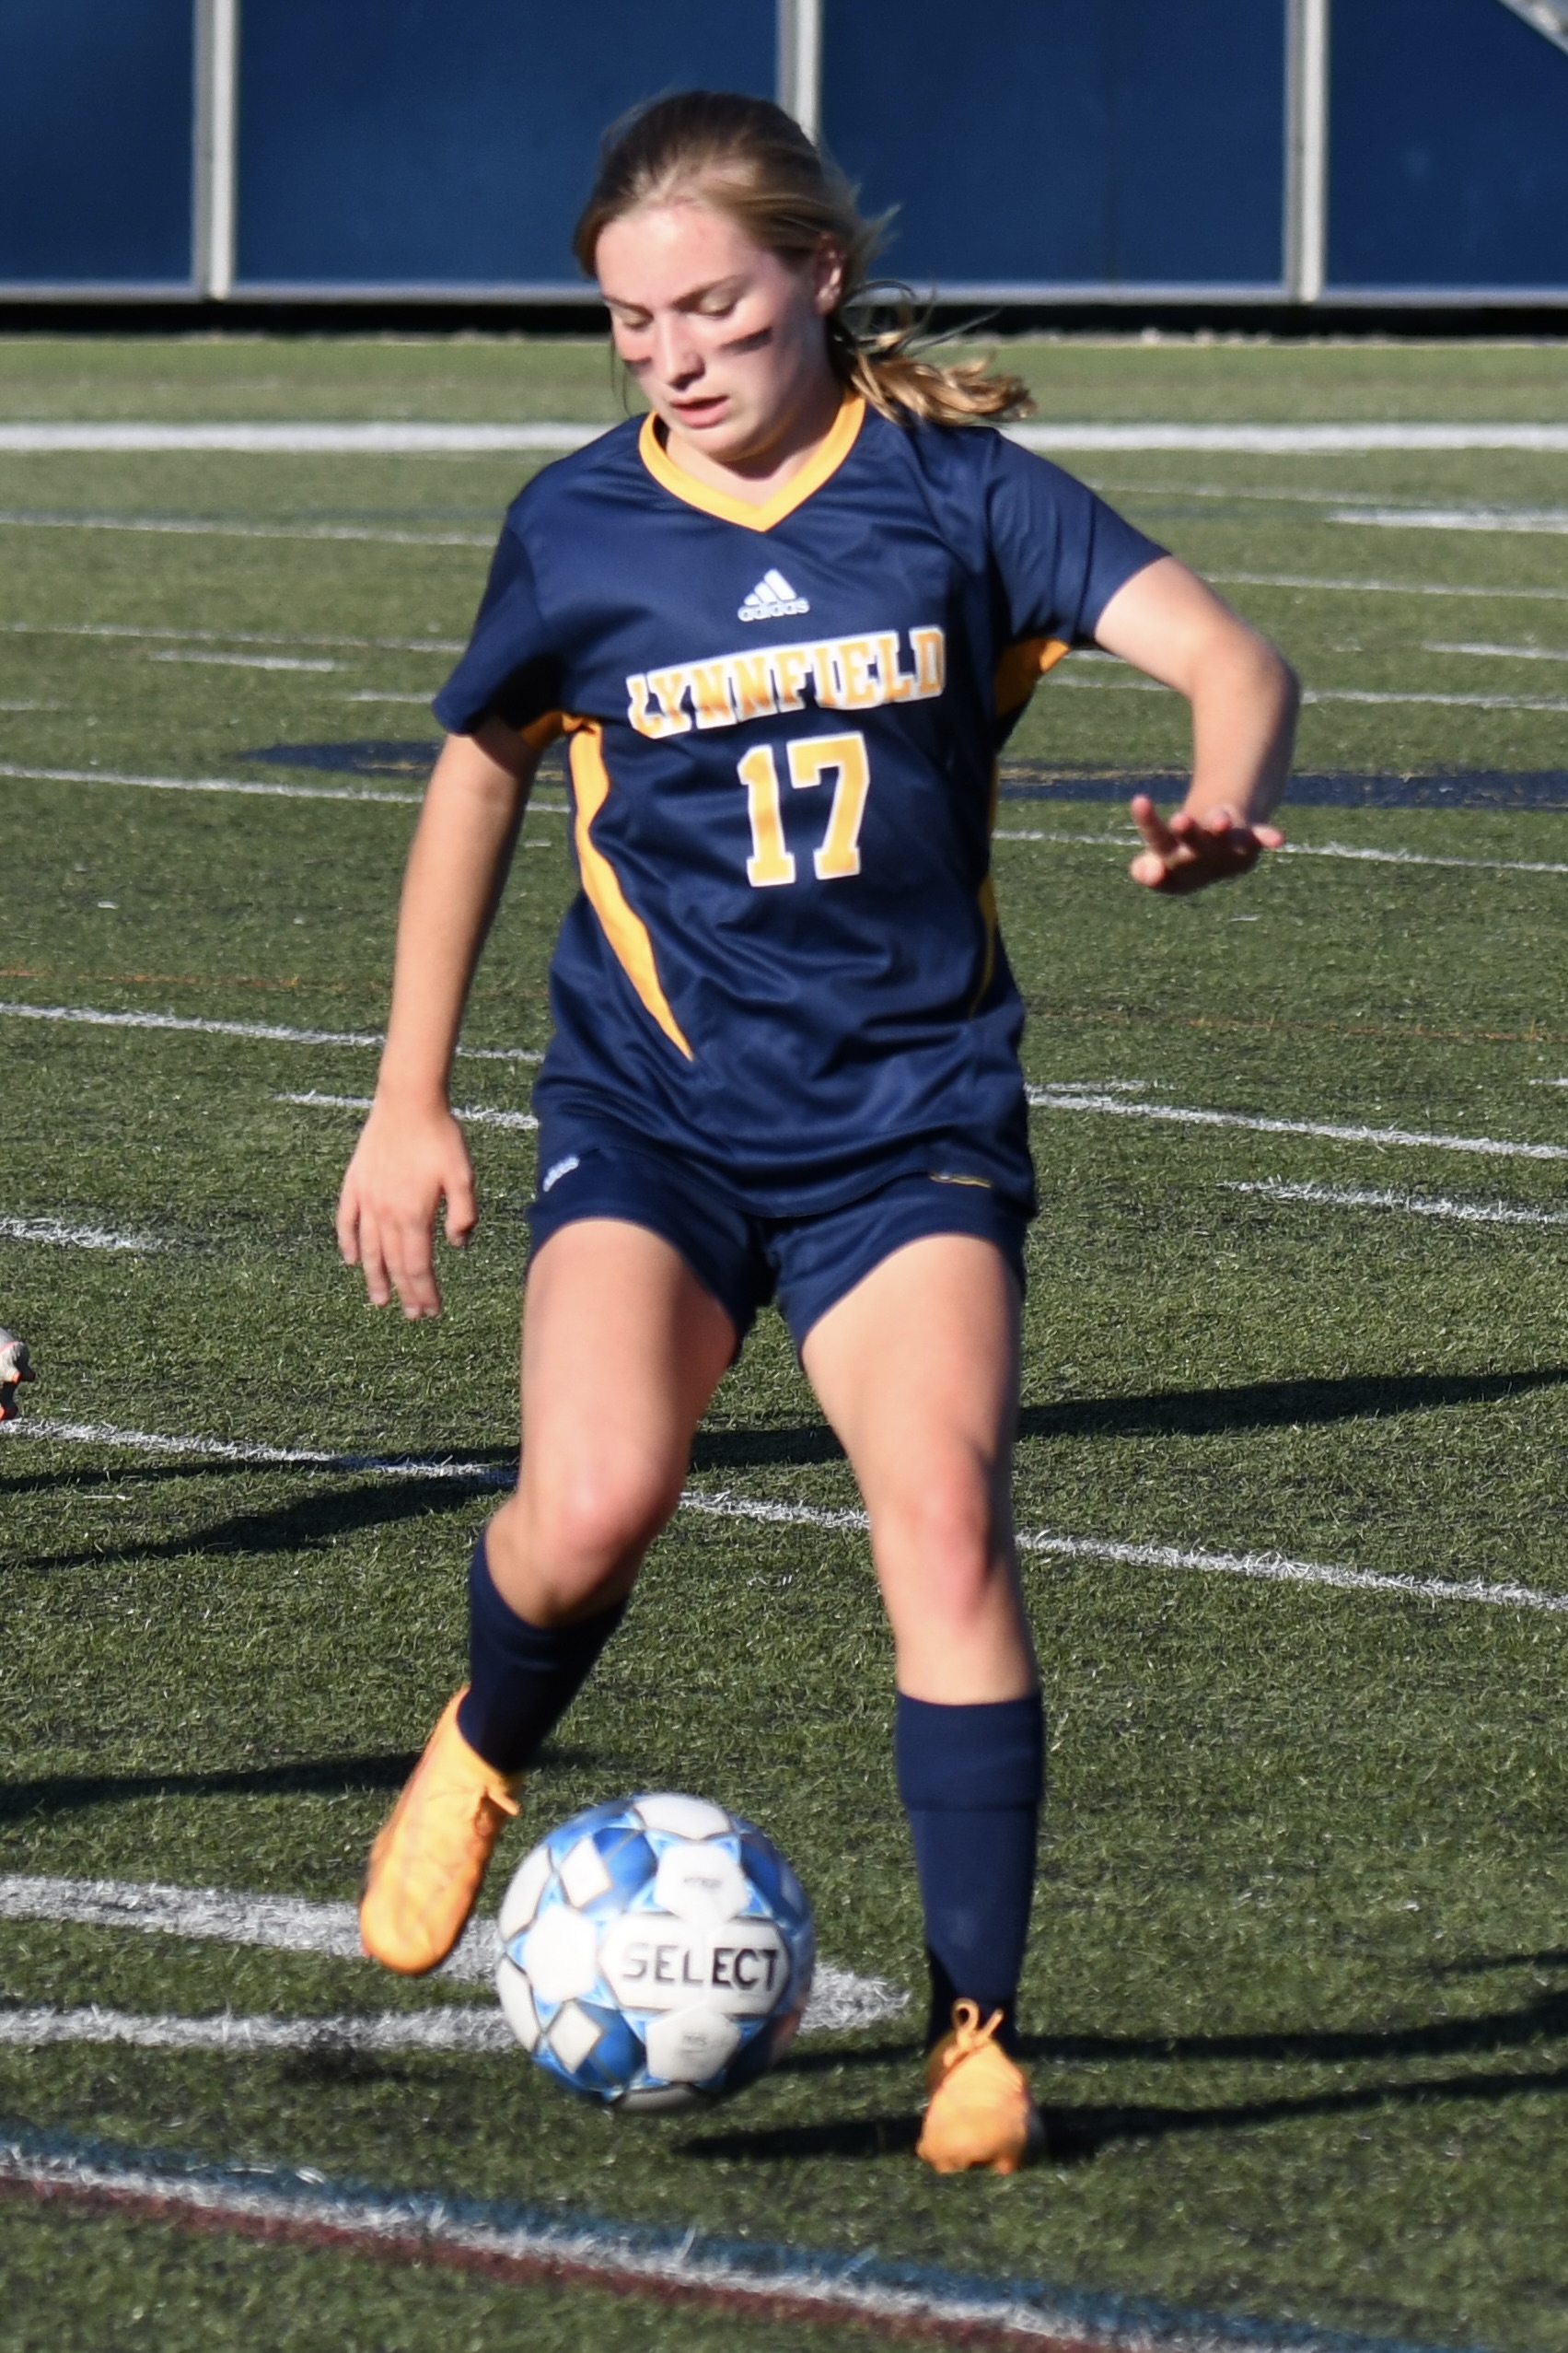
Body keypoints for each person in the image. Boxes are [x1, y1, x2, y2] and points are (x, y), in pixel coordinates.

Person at [337, 90, 1296, 2175]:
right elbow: (479, 778)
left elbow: (1232, 654)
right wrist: (407, 1098)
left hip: (906, 1121)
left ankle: (978, 2035)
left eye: (714, 308)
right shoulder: (578, 524)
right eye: (632, 323)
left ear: (819, 277)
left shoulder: (960, 495)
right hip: (655, 1116)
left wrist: (1225, 796)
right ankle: (484, 1739)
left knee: (941, 1528)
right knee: (593, 1505)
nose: (673, 356)